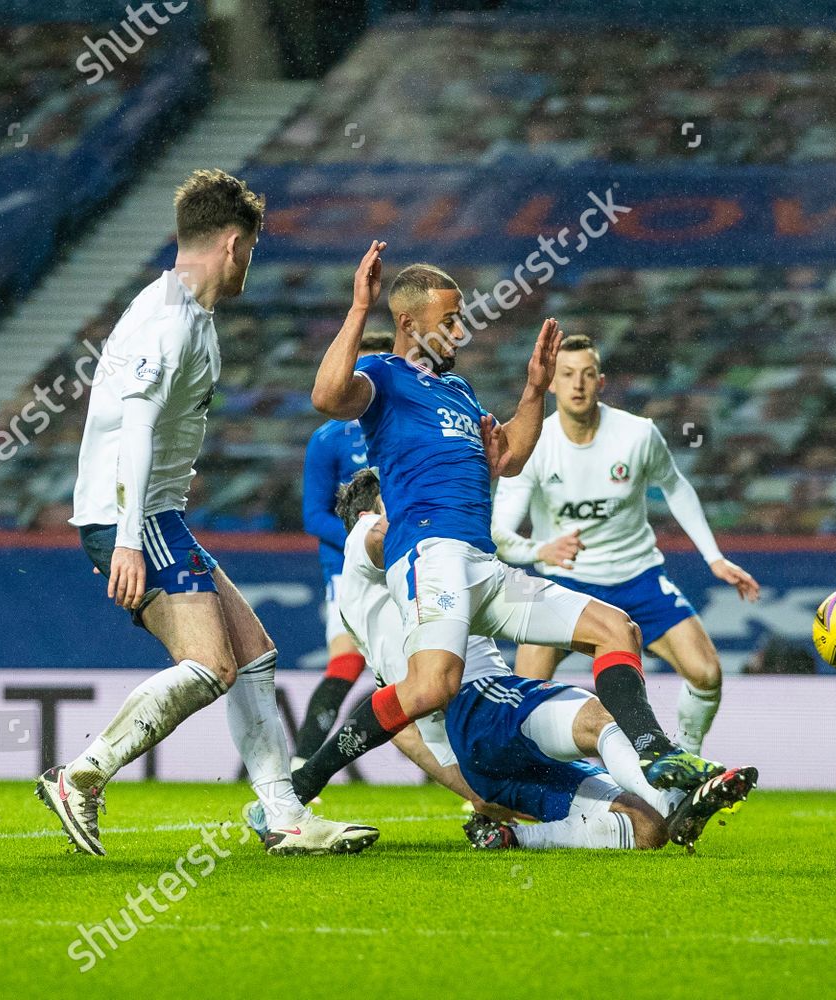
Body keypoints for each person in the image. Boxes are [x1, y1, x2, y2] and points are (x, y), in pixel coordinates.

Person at [296, 243, 745, 803]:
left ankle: (656, 752)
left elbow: (508, 458)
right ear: (409, 323)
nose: (461, 330)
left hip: (483, 563)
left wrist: (534, 391)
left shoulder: (457, 391)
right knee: (432, 687)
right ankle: (305, 780)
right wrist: (359, 308)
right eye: (450, 319)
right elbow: (326, 395)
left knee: (617, 629)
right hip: (430, 555)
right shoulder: (383, 374)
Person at [38, 169, 377, 856]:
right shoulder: (166, 323)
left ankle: (282, 815)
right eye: (251, 247)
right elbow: (133, 431)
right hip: (130, 516)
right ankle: (82, 776)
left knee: (254, 656)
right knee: (211, 664)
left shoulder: (190, 316)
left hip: (154, 516)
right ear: (231, 243)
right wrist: (130, 542)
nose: (251, 261)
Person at [268, 469, 755, 852]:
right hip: (484, 703)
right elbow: (382, 531)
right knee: (600, 718)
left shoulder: (384, 604)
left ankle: (516, 839)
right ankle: (668, 775)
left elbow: (406, 730)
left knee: (645, 831)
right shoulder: (370, 538)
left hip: (477, 754)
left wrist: (474, 792)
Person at [491, 334, 760, 754]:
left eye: (587, 374)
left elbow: (676, 487)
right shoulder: (534, 445)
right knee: (526, 695)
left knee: (706, 673)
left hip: (637, 578)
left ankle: (686, 764)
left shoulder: (637, 434)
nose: (577, 384)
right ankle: (509, 790)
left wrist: (714, 557)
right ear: (553, 384)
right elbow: (500, 534)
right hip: (563, 585)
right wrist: (539, 550)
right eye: (566, 375)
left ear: (601, 381)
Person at [292, 328, 394, 768]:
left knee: (427, 667)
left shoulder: (405, 428)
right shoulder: (328, 439)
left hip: (407, 563)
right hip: (348, 570)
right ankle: (300, 767)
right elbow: (314, 515)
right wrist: (364, 541)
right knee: (347, 666)